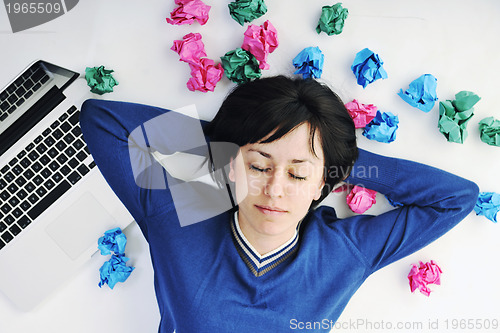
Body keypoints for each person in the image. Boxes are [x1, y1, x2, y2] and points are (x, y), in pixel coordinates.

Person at [80, 76, 478, 333]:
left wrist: (334, 160)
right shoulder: (177, 217)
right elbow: (103, 121)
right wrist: (236, 142)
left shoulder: (344, 252)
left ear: (322, 183)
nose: (274, 190)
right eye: (259, 167)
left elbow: (455, 199)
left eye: (298, 175)